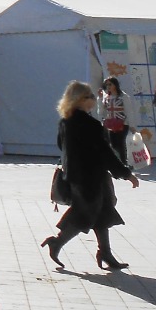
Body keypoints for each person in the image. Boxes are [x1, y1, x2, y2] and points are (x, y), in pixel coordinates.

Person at [42, 80, 140, 271]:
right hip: (91, 178)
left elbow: (62, 147)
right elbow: (106, 153)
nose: (94, 101)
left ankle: (105, 253)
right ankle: (57, 243)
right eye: (90, 97)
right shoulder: (90, 125)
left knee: (102, 212)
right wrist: (126, 174)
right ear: (80, 100)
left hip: (77, 176)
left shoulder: (65, 122)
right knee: (84, 215)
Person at [99, 76, 130, 164]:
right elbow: (101, 111)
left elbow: (129, 111)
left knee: (120, 143)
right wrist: (100, 98)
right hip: (111, 124)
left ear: (115, 85)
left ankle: (124, 163)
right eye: (106, 85)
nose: (108, 86)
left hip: (123, 123)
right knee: (113, 144)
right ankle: (117, 163)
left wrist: (131, 125)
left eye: (110, 84)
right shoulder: (107, 98)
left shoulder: (123, 96)